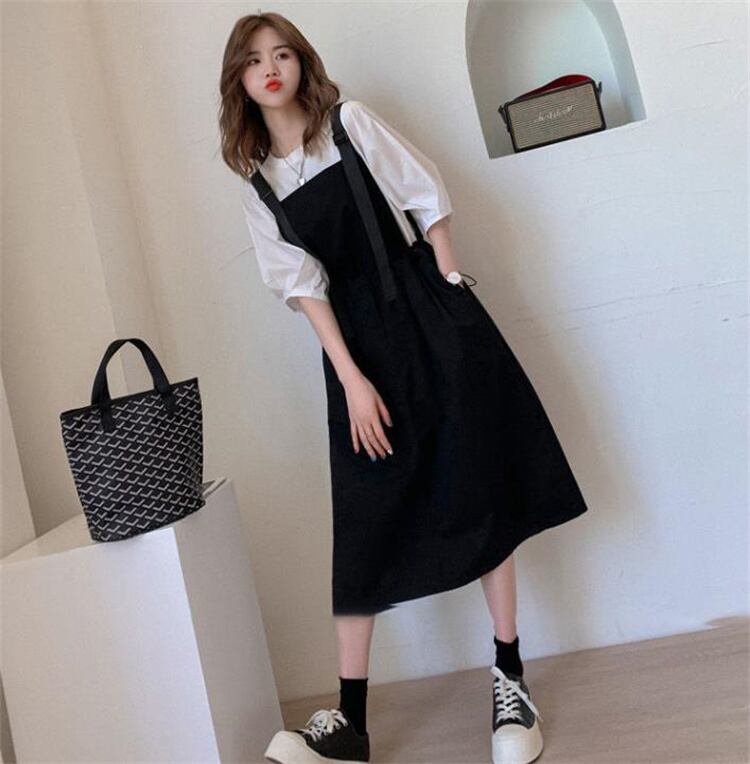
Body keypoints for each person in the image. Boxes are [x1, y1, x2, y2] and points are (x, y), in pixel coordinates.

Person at [219, 11, 588, 764]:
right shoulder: (260, 185)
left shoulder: (348, 124)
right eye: (254, 60)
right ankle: (351, 723)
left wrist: (449, 284)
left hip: (426, 314)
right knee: (363, 523)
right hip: (355, 351)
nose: (271, 68)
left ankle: (510, 680)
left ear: (302, 61)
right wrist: (350, 377)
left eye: (282, 53)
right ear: (240, 82)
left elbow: (426, 195)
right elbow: (304, 290)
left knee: (477, 487)